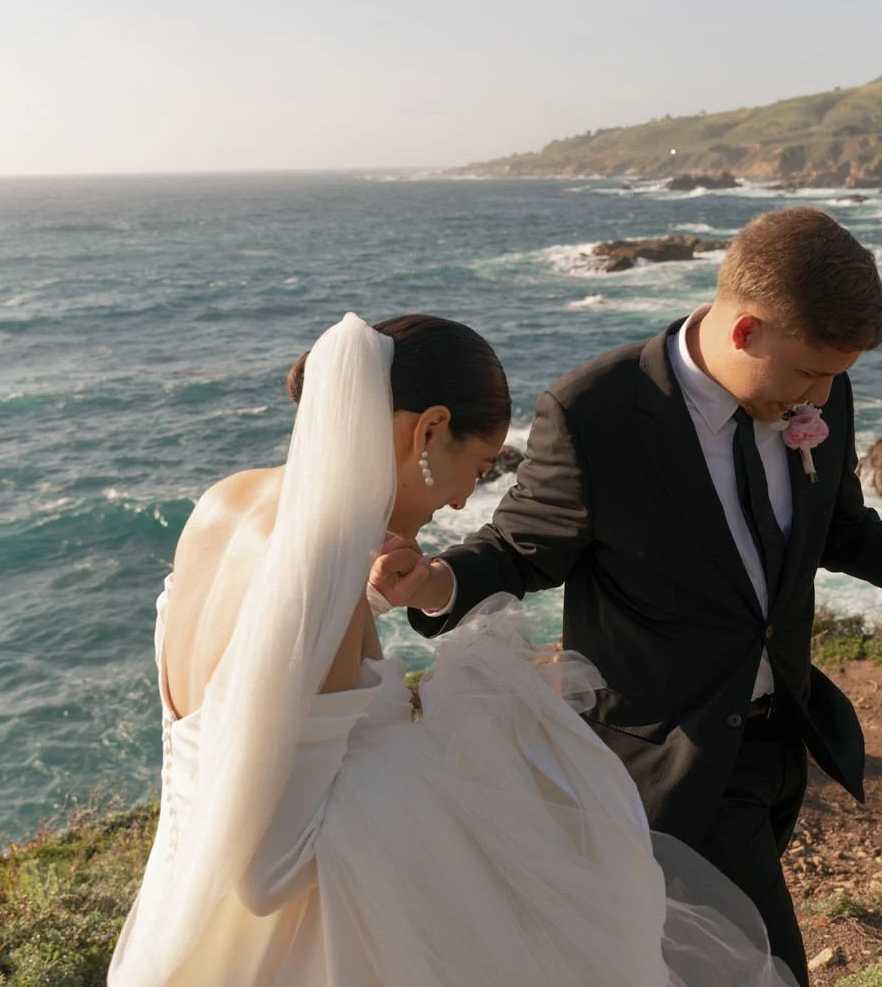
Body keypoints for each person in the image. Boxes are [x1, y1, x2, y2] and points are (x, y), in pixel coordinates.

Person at [394, 207, 882, 984]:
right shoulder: (593, 413)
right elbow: (521, 548)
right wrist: (434, 580)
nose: (821, 395)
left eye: (836, 377)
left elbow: (842, 531)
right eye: (809, 373)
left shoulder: (821, 394)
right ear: (745, 332)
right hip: (672, 759)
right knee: (768, 970)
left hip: (787, 738)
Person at [109, 312, 795, 986]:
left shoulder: (226, 503)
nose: (467, 501)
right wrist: (470, 735)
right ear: (430, 430)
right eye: (478, 464)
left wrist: (369, 608)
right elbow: (269, 871)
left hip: (187, 921)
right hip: (305, 950)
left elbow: (252, 675)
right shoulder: (323, 562)